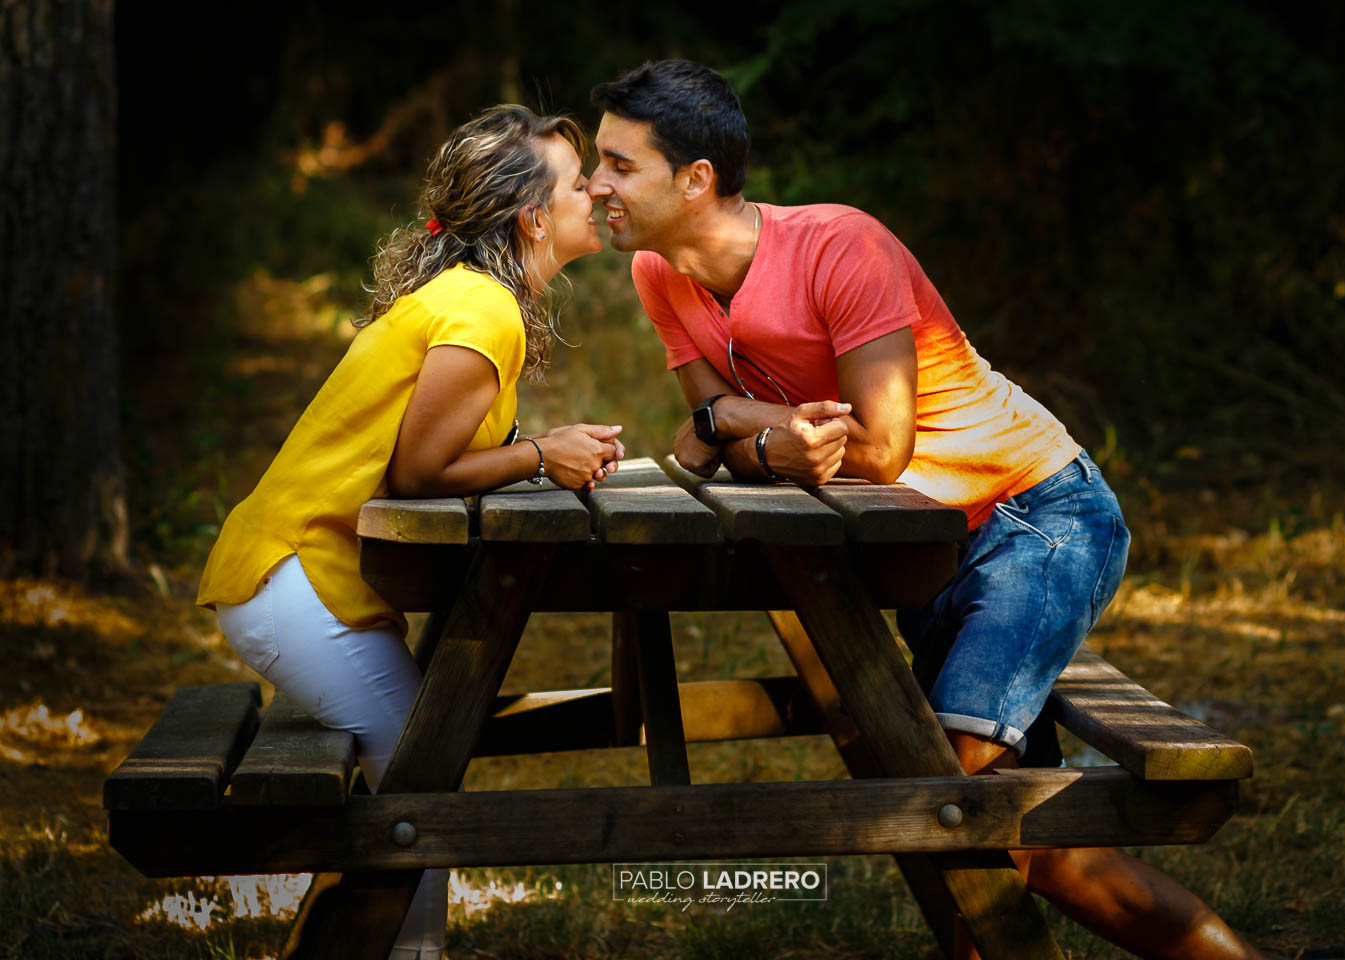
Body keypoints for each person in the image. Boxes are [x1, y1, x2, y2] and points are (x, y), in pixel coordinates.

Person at [586, 59, 1263, 960]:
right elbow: (706, 433)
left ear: (696, 179)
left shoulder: (841, 246)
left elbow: (877, 448)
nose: (594, 184)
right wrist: (759, 429)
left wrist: (745, 428)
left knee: (945, 795)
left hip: (1033, 514)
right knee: (1021, 836)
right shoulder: (658, 273)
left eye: (618, 164)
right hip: (921, 547)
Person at [196, 104, 624, 960]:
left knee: (420, 777)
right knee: (423, 791)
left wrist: (540, 452)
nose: (599, 192)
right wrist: (544, 451)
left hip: (298, 583)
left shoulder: (476, 299)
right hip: (294, 585)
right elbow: (420, 473)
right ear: (533, 217)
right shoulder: (485, 311)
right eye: (580, 183)